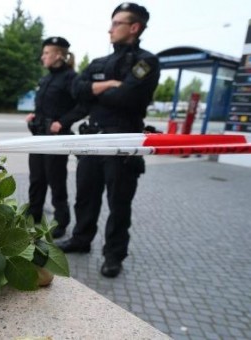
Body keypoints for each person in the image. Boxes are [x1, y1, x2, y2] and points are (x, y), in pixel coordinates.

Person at [56, 2, 160, 278]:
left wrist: (97, 90)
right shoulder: (99, 63)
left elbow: (129, 97)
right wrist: (109, 85)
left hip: (123, 141)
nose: (110, 29)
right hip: (93, 139)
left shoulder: (146, 62)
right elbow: (78, 90)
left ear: (134, 27)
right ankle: (81, 239)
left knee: (119, 203)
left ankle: (114, 255)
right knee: (85, 196)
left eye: (117, 24)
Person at [25, 36, 78, 239]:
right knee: (36, 179)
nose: (43, 57)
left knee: (56, 181)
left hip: (56, 139)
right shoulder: (46, 79)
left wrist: (63, 122)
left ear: (58, 55)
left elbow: (81, 107)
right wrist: (34, 116)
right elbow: (44, 107)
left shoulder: (71, 78)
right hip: (39, 136)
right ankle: (33, 216)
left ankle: (60, 222)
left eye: (46, 53)